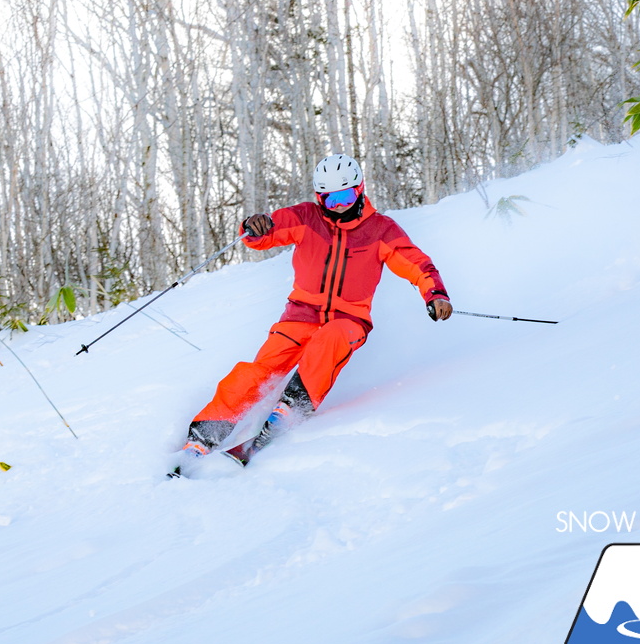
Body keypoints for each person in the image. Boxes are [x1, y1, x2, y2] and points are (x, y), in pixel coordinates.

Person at [172, 154, 451, 474]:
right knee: (260, 369)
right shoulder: (306, 217)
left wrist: (435, 293)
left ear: (360, 190)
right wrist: (256, 226)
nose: (340, 205)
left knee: (329, 341)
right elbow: (268, 233)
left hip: (349, 319)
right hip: (300, 314)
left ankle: (294, 405)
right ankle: (205, 435)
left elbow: (415, 263)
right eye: (331, 199)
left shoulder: (381, 230)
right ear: (320, 198)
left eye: (346, 196)